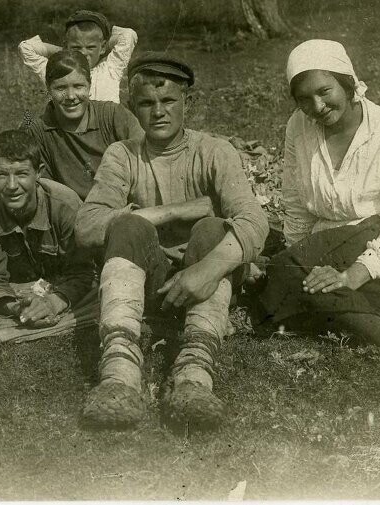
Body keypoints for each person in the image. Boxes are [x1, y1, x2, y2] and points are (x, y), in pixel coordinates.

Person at [75, 52, 269, 430]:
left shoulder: (214, 151)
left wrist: (207, 270)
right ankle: (119, 373)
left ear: (188, 103)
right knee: (129, 227)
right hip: (147, 285)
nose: (158, 112)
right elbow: (87, 227)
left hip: (207, 285)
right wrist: (176, 210)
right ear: (133, 108)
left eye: (168, 101)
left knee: (213, 229)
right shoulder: (123, 154)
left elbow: (254, 221)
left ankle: (194, 376)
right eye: (146, 103)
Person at [258, 39, 380, 391]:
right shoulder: (297, 128)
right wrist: (300, 255)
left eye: (325, 91)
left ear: (348, 82)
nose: (317, 106)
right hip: (333, 245)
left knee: (285, 292)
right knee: (294, 282)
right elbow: (296, 202)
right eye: (304, 99)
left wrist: (355, 274)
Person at [0, 130, 96, 327]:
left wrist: (53, 303)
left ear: (38, 172)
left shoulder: (65, 206)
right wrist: (18, 309)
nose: (11, 186)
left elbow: (85, 272)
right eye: (1, 174)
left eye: (21, 174)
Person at [21, 50, 144, 201]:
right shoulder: (38, 131)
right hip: (71, 213)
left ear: (89, 85)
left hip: (122, 204)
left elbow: (146, 160)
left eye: (79, 86)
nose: (71, 96)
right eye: (60, 88)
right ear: (48, 89)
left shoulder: (113, 115)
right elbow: (44, 190)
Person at [18, 9, 138, 103]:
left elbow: (128, 35)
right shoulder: (57, 71)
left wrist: (104, 48)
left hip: (107, 132)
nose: (84, 53)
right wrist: (66, 53)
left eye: (91, 47)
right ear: (66, 46)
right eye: (76, 47)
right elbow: (26, 47)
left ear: (102, 47)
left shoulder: (110, 68)